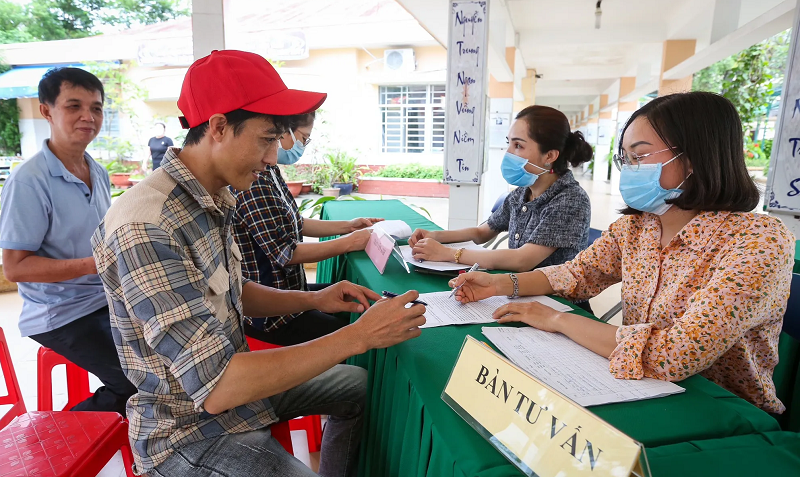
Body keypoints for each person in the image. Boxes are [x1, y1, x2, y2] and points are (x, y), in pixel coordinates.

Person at [91, 50, 426, 477]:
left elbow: (234, 292)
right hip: (188, 432)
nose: (273, 157)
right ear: (218, 127)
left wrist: (314, 298)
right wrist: (357, 337)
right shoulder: (146, 226)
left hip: (237, 395)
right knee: (351, 360)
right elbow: (218, 386)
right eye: (266, 139)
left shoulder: (213, 195)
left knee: (358, 386)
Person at [449, 92, 793, 414]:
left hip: (723, 415)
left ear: (695, 157)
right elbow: (576, 274)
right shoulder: (638, 228)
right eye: (625, 158)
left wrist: (556, 319)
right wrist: (500, 285)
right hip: (638, 388)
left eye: (639, 157)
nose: (629, 169)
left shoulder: (757, 241)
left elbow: (675, 355)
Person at [0, 67, 137, 415]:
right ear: (47, 111)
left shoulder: (97, 170)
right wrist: (96, 266)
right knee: (138, 386)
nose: (88, 117)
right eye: (73, 106)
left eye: (96, 107)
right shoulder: (30, 181)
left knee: (171, 366)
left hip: (102, 301)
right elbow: (15, 268)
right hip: (60, 313)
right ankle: (58, 441)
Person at [234, 112, 383, 346]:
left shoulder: (270, 171)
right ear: (282, 133)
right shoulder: (255, 180)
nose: (302, 145)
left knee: (361, 303)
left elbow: (295, 222)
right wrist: (351, 241)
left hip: (291, 289)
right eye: (303, 137)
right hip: (273, 315)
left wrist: (348, 226)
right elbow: (285, 253)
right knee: (357, 333)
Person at [408, 105, 592, 274]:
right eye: (509, 143)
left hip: (554, 302)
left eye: (518, 145)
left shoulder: (570, 200)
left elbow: (522, 260)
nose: (508, 153)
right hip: (517, 290)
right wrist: (436, 236)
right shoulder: (522, 192)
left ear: (549, 156)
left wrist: (448, 253)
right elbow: (483, 232)